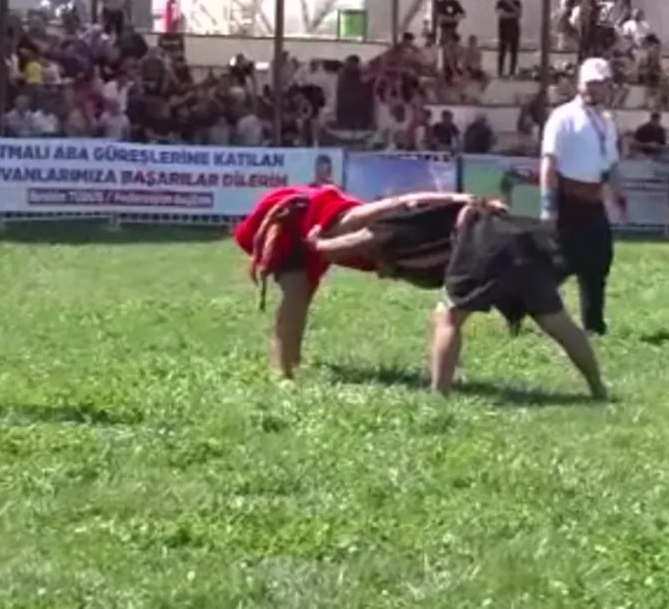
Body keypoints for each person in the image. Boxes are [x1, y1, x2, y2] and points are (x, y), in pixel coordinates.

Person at [308, 201, 610, 399]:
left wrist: (319, 243)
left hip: (484, 242)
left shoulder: (392, 228)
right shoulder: (432, 228)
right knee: (557, 322)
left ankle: (439, 395)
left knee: (447, 317)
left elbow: (358, 240)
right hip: (519, 242)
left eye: (379, 269)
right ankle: (598, 390)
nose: (381, 274)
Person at [233, 185, 485, 379]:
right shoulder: (364, 222)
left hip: (324, 233)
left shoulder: (416, 245)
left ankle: (292, 359)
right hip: (296, 221)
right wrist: (455, 198)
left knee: (304, 291)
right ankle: (282, 372)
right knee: (297, 292)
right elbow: (403, 201)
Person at [539, 57, 625, 336]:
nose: (596, 89)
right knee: (559, 264)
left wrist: (618, 195)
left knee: (599, 260)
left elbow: (609, 164)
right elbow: (548, 163)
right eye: (591, 83)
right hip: (567, 199)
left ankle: (594, 324)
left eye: (601, 84)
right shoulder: (563, 117)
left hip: (594, 200)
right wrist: (548, 206)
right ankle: (520, 301)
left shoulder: (607, 122)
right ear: (580, 84)